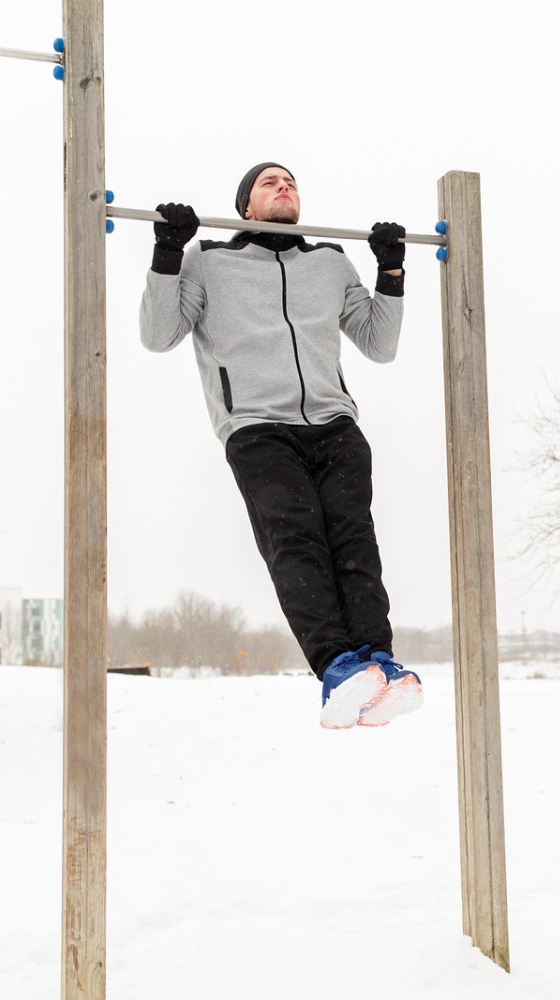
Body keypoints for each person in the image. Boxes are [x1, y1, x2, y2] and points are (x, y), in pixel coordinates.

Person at [139, 162, 422, 730]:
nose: (283, 187)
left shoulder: (329, 263)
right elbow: (158, 334)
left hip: (334, 423)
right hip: (256, 426)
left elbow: (379, 344)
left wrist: (390, 269)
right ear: (246, 205)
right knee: (296, 541)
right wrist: (168, 254)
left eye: (290, 182)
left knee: (354, 542)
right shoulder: (210, 260)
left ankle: (378, 660)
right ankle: (337, 667)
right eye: (269, 183)